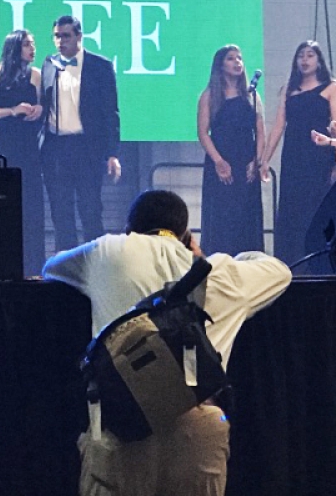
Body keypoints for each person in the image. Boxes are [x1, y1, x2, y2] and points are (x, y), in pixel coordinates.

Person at [43, 189, 290, 496]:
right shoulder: (219, 274)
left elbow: (50, 267)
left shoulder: (108, 251)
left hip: (121, 428)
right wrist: (207, 258)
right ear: (186, 234)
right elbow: (280, 272)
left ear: (129, 228)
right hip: (198, 431)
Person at [39, 14, 122, 251]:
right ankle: (64, 271)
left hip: (87, 147)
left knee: (90, 209)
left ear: (79, 36)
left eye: (66, 36)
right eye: (57, 36)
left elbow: (111, 112)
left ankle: (95, 266)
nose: (60, 41)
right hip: (56, 148)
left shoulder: (100, 66)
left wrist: (112, 153)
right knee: (60, 212)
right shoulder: (49, 64)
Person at [261, 40, 336, 267]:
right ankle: (291, 262)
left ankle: (318, 261)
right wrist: (265, 159)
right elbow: (278, 126)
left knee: (316, 207)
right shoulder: (289, 88)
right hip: (294, 156)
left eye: (310, 55)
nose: (305, 60)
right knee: (292, 209)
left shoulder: (331, 87)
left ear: (319, 61)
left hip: (319, 155)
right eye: (301, 56)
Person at [0, 29, 45, 275]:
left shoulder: (36, 75)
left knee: (30, 201)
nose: (32, 48)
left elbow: (42, 106)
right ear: (15, 47)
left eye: (33, 43)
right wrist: (12, 110)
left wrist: (38, 110)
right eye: (28, 44)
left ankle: (33, 265)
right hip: (3, 141)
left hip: (27, 143)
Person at [197, 45, 266, 255]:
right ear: (220, 64)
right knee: (221, 217)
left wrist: (257, 161)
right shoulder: (209, 95)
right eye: (231, 58)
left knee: (246, 217)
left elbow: (261, 132)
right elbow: (202, 132)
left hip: (246, 162)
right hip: (220, 163)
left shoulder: (252, 96)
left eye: (240, 58)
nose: (237, 62)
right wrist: (218, 161)